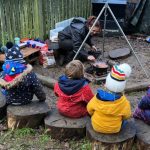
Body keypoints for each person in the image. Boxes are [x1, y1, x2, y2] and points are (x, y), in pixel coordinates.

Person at [87, 63, 132, 134]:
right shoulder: (123, 101)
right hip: (115, 129)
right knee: (125, 122)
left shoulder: (97, 97)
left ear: (106, 83)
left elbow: (89, 109)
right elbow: (127, 115)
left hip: (96, 126)